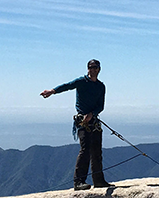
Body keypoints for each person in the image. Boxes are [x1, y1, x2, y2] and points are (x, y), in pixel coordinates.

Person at [41, 59, 108, 189]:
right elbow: (67, 86)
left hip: (93, 121)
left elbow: (101, 106)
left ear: (99, 69)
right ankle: (78, 182)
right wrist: (52, 91)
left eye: (95, 67)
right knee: (85, 150)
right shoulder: (81, 82)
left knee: (96, 151)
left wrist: (92, 114)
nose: (92, 70)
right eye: (90, 67)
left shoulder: (101, 86)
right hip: (82, 121)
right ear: (88, 69)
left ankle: (98, 181)